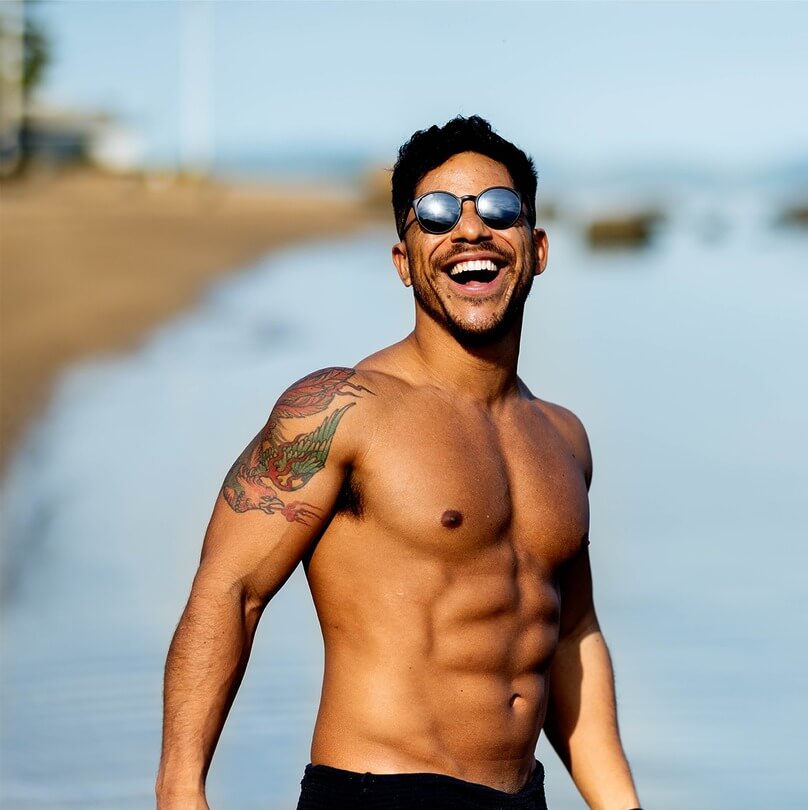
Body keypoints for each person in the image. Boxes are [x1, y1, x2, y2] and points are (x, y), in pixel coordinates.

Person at [155, 116, 642, 810]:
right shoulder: (339, 410)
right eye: (436, 214)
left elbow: (570, 635)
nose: (469, 230)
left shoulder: (563, 437)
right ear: (403, 260)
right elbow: (230, 590)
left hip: (521, 794)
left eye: (498, 208)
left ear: (535, 249)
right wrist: (180, 790)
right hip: (379, 792)